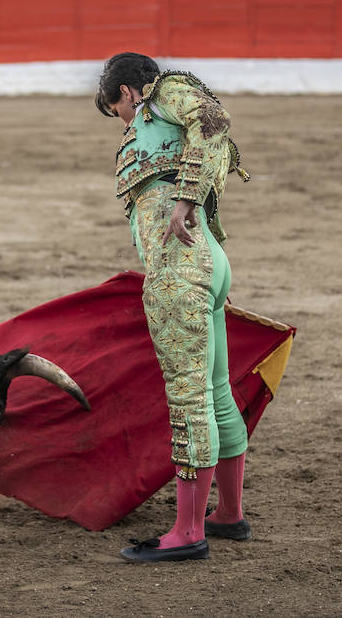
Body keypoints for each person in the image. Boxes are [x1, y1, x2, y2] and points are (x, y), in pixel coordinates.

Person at [94, 53, 253, 564]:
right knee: (216, 392)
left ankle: (188, 531)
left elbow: (214, 118)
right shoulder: (161, 117)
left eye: (115, 108)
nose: (121, 121)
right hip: (206, 260)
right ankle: (227, 513)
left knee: (190, 400)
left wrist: (185, 198)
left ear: (126, 93)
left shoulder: (160, 94)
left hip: (182, 267)